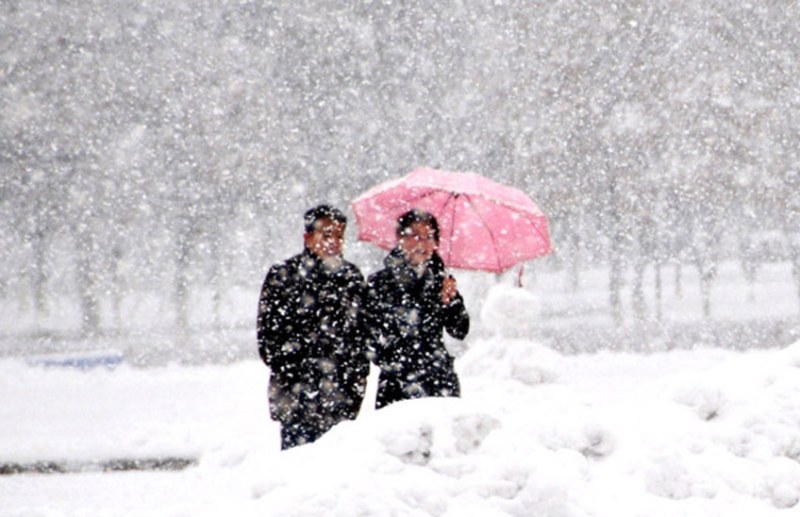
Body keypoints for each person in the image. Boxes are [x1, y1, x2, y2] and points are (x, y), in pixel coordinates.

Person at [257, 205, 369, 449]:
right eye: (326, 235)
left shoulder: (351, 278)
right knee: (297, 471)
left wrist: (354, 380)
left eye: (339, 236)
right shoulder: (283, 276)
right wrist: (299, 367)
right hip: (296, 398)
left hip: (341, 397)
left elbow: (361, 336)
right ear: (308, 237)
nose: (334, 242)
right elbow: (268, 339)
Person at [364, 209, 470, 409]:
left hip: (438, 381)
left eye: (429, 237)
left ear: (436, 243)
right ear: (400, 239)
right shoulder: (380, 283)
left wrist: (451, 302)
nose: (422, 243)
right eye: (415, 236)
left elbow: (459, 330)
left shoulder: (441, 281)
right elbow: (367, 334)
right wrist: (391, 361)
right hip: (396, 386)